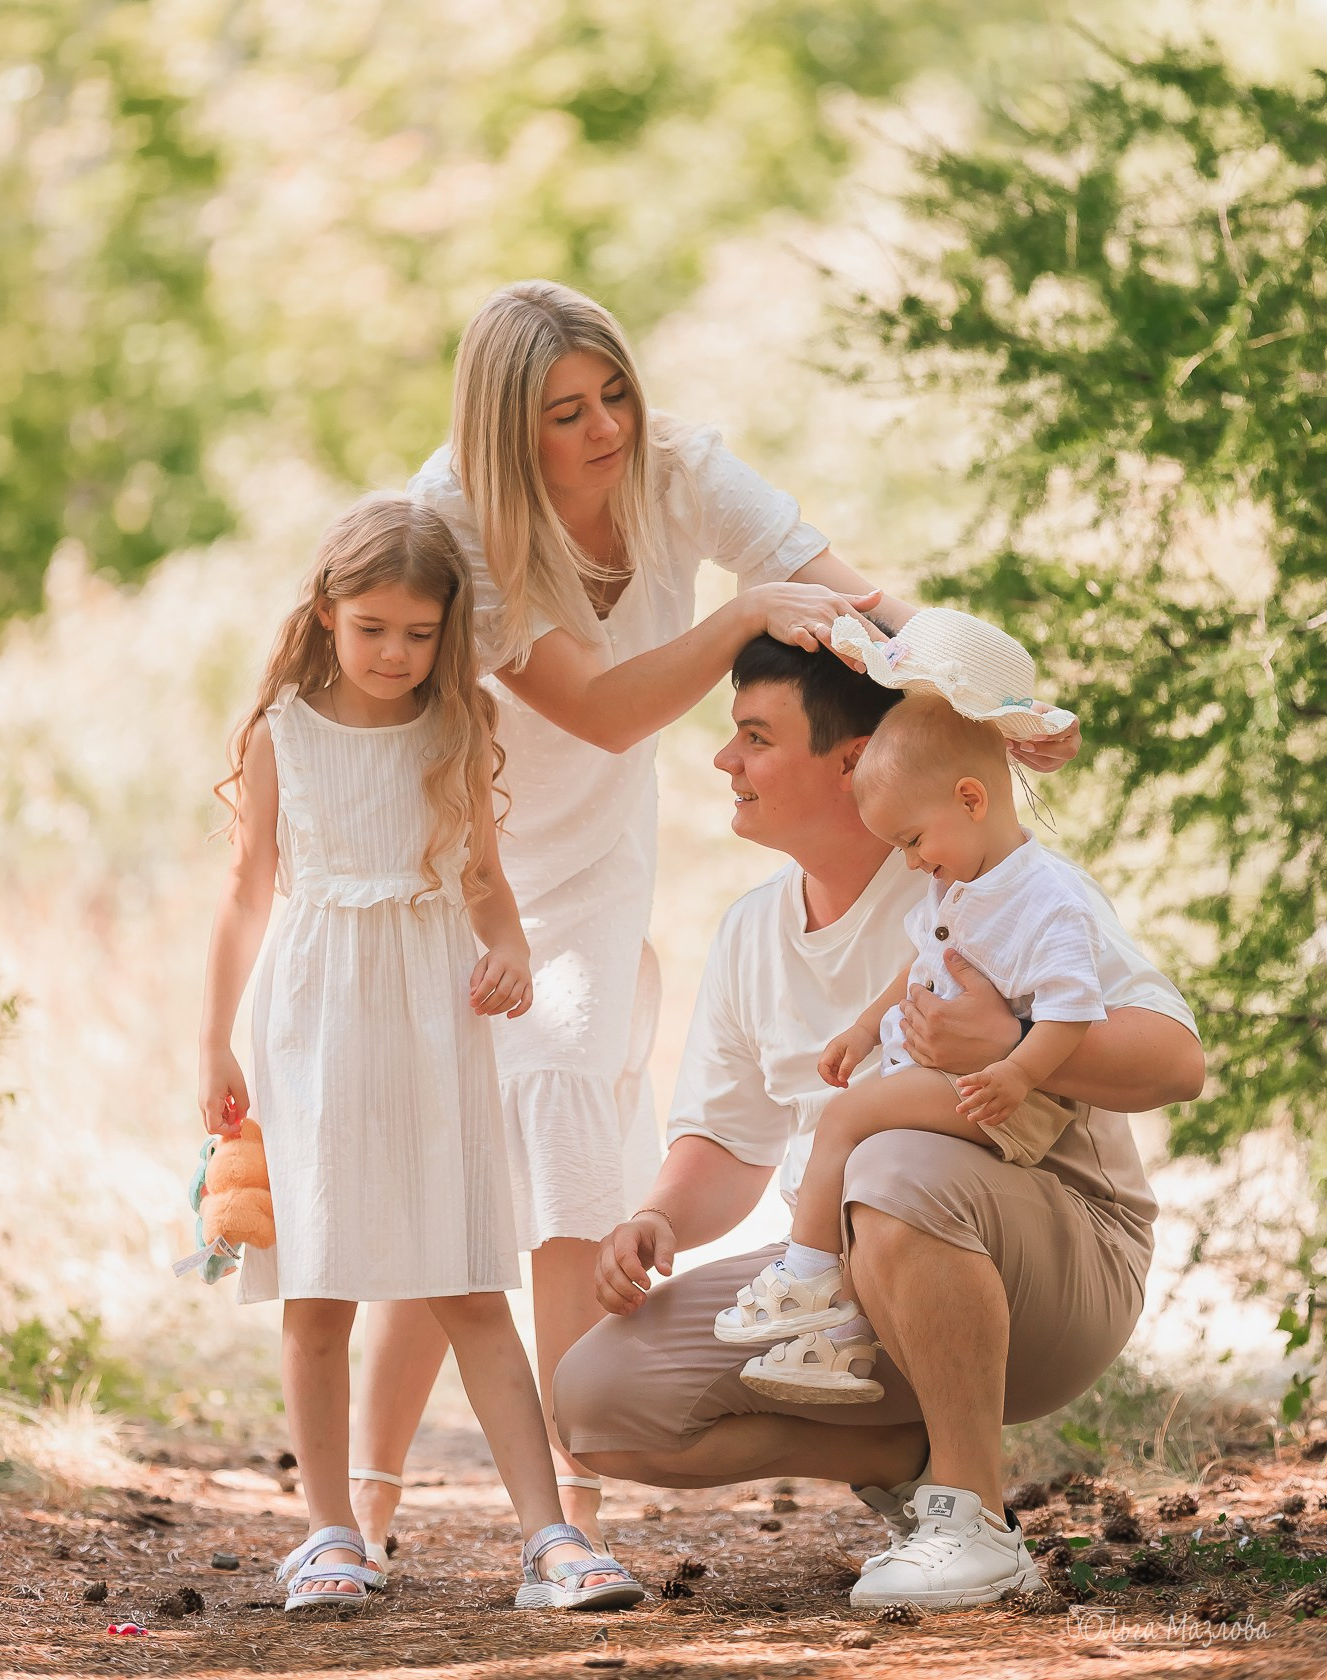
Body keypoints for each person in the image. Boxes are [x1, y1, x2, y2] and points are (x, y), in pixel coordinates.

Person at [348, 279, 1015, 1557]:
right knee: (450, 1163)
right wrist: (742, 612)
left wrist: (996, 695)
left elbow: (860, 598)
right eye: (565, 413)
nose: (605, 428)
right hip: (455, 851)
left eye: (615, 393)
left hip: (594, 861)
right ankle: (361, 1511)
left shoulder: (676, 467)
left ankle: (570, 1511)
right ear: (503, 430)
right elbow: (601, 709)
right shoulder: (456, 520)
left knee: (560, 1111)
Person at [556, 633, 1206, 1612]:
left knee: (889, 1160)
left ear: (852, 759)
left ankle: (972, 1519)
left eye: (754, 736)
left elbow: (1176, 1062)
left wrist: (1007, 1037)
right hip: (854, 1274)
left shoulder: (985, 878)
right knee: (596, 1398)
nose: (725, 759)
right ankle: (920, 1462)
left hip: (1054, 1264)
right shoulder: (753, 928)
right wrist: (657, 1218)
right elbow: (727, 1141)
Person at [196, 494, 643, 1614]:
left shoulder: (454, 730)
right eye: (371, 628)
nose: (395, 652)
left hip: (433, 1020)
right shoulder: (284, 735)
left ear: (447, 632)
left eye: (418, 632)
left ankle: (548, 1539)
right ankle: (331, 1536)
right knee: (318, 1290)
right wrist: (212, 1040)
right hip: (315, 1025)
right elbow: (246, 895)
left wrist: (511, 950)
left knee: (467, 1278)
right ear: (327, 613)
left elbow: (484, 878)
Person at [719, 611, 1110, 1405]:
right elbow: (919, 966)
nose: (908, 862)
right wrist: (865, 1027)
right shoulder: (964, 883)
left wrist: (1014, 1069)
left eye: (910, 840)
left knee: (847, 1120)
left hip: (1004, 1100)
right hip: (965, 1082)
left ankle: (804, 1277)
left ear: (969, 798)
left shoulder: (1046, 896)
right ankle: (842, 1337)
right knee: (870, 1154)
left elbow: (1072, 1009)